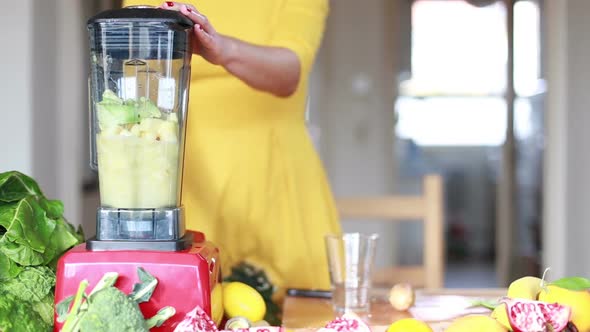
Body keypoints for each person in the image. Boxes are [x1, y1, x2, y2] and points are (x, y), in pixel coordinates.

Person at [121, 0, 341, 293]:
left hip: (272, 183)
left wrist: (220, 49)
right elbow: (133, 80)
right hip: (180, 179)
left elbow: (290, 73)